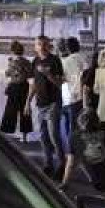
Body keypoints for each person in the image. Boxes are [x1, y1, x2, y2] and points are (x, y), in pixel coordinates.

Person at [29, 35, 67, 177]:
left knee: (54, 136)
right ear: (35, 47)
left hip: (53, 103)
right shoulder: (35, 61)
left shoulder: (54, 60)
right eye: (39, 44)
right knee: (43, 136)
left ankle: (62, 164)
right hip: (40, 104)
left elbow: (60, 84)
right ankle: (48, 164)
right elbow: (33, 84)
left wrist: (48, 74)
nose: (42, 47)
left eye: (45, 44)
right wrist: (28, 101)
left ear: (49, 46)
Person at [0, 40, 33, 140]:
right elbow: (30, 74)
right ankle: (24, 136)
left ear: (12, 51)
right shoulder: (27, 62)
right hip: (24, 87)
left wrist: (10, 65)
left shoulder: (12, 62)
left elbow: (7, 73)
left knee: (10, 111)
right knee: (25, 111)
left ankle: (7, 133)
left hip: (14, 87)